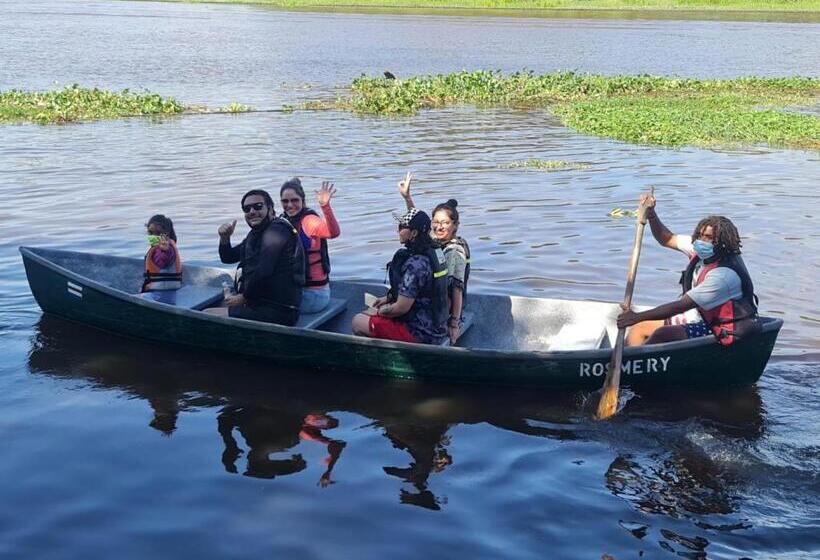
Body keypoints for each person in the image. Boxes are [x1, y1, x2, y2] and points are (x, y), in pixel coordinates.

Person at [617, 193, 760, 346]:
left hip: (719, 325)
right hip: (700, 315)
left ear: (722, 243)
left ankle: (639, 363)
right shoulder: (701, 250)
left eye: (708, 237)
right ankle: (628, 363)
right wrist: (651, 215)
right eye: (700, 235)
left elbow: (681, 306)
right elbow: (666, 238)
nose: (701, 241)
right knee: (640, 328)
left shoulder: (723, 276)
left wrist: (636, 316)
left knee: (662, 333)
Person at [203, 189, 305, 326]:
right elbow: (228, 257)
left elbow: (264, 270)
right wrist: (224, 238)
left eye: (258, 206)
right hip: (260, 303)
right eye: (247, 209)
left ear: (270, 208)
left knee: (206, 314)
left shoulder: (277, 231)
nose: (251, 211)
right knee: (222, 306)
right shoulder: (256, 234)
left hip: (280, 311)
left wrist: (244, 297)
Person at [351, 208, 448, 345]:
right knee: (371, 310)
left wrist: (379, 312)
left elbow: (401, 308)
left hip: (419, 332)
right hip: (437, 326)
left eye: (402, 227)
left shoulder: (416, 265)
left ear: (413, 233)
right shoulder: (433, 252)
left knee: (357, 321)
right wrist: (388, 299)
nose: (398, 230)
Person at [398, 172, 471, 344]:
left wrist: (453, 323)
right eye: (436, 222)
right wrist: (407, 198)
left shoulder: (454, 252)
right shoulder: (436, 241)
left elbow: (457, 289)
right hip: (437, 302)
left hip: (444, 309)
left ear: (455, 225)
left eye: (445, 223)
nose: (439, 227)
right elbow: (417, 225)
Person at [279, 178, 341, 313]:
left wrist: (325, 206)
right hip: (299, 291)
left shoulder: (309, 221)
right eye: (285, 201)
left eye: (295, 200)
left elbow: (333, 233)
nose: (290, 205)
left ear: (303, 200)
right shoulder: (284, 220)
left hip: (313, 296)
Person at [142, 214, 182, 292]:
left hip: (159, 290)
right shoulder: (158, 248)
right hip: (171, 287)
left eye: (158, 233)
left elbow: (163, 261)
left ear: (166, 234)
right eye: (150, 232)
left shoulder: (167, 249)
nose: (153, 236)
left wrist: (164, 251)